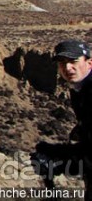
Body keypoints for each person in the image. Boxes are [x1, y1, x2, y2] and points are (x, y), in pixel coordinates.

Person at [30, 39, 92, 197]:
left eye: (73, 61)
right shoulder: (81, 90)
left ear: (89, 63)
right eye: (62, 63)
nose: (67, 67)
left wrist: (60, 161)